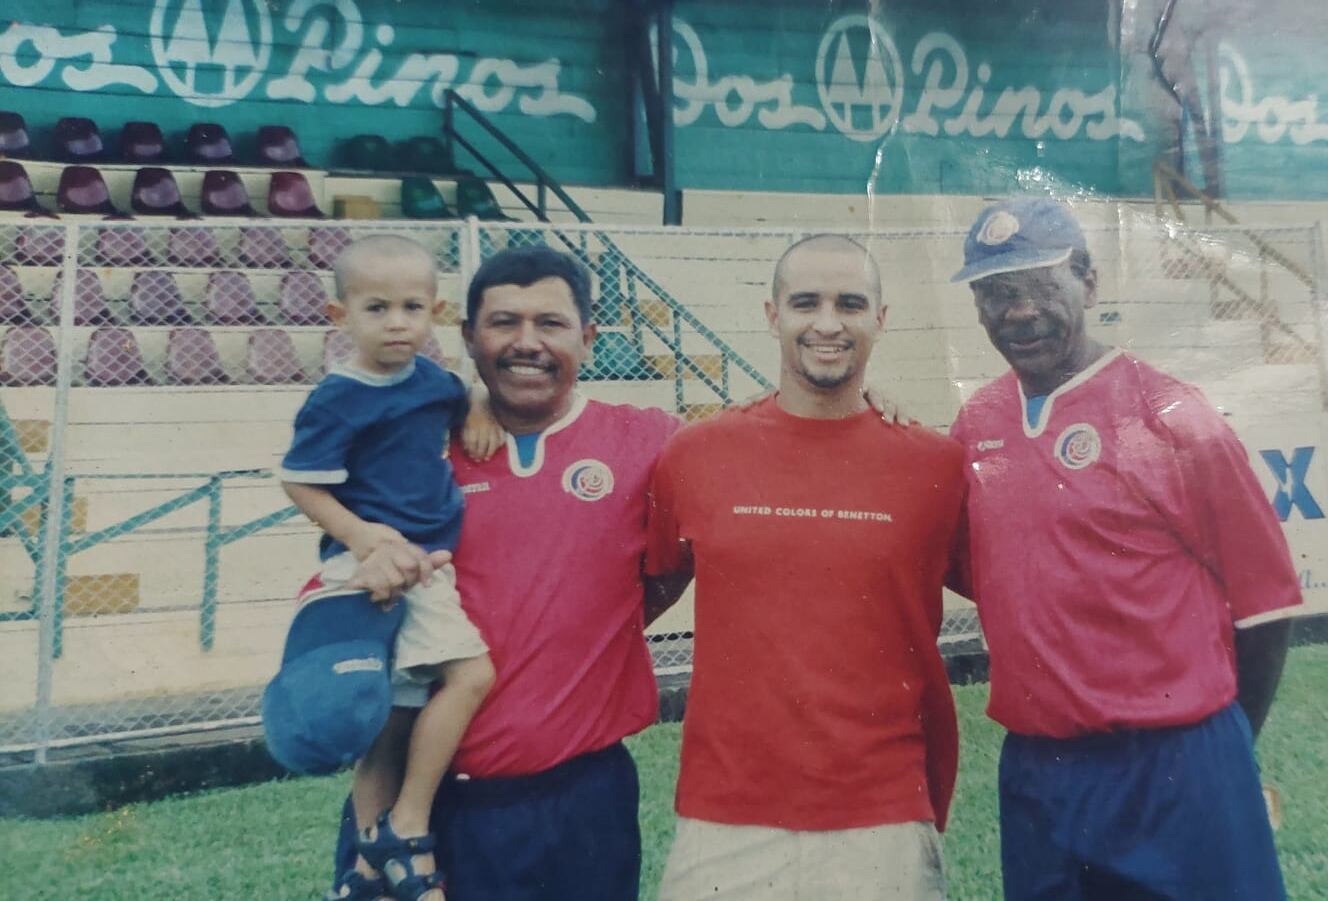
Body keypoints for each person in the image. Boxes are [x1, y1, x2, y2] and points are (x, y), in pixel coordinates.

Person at [947, 197, 1301, 900]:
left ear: (1089, 282)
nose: (1021, 312)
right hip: (1042, 771)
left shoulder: (1172, 416)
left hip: (1176, 761)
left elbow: (1265, 606)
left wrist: (1225, 748)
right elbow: (981, 566)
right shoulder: (977, 421)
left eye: (1041, 286)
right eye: (998, 294)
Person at [333, 244, 688, 900]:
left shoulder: (649, 441)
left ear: (588, 337)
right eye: (504, 322)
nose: (527, 342)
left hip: (583, 801)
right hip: (427, 805)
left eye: (550, 323)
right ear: (469, 337)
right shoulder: (411, 443)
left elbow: (688, 549)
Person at [646, 235, 965, 900]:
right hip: (724, 817)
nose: (827, 323)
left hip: (881, 816)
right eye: (805, 303)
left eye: (850, 304)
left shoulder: (935, 465)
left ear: (880, 318)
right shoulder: (697, 454)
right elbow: (638, 593)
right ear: (772, 315)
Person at [280, 235, 496, 901]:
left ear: (435, 311)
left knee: (397, 714)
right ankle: (408, 823)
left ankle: (368, 866)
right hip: (383, 563)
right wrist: (361, 536)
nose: (397, 323)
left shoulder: (435, 382)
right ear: (339, 315)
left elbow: (463, 397)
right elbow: (299, 481)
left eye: (412, 307)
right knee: (471, 674)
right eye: (376, 308)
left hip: (425, 561)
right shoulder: (336, 397)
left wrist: (478, 407)